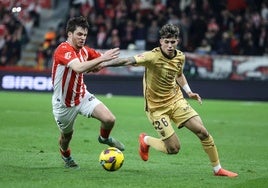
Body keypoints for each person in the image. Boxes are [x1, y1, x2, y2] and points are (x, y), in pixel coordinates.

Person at [97, 23, 238, 177]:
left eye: (173, 42)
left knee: (202, 132)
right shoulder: (152, 56)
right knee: (174, 149)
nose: (170, 45)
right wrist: (102, 63)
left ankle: (217, 169)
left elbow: (179, 75)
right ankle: (146, 140)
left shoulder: (180, 56)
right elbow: (127, 61)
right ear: (161, 41)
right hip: (156, 108)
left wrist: (189, 92)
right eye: (167, 42)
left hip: (176, 100)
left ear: (177, 41)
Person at [51, 16, 125, 169]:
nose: (83, 38)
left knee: (109, 119)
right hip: (64, 104)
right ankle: (66, 155)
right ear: (69, 34)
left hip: (82, 96)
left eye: (85, 35)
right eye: (79, 34)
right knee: (66, 137)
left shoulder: (84, 51)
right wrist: (101, 59)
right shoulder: (63, 49)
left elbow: (105, 62)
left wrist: (136, 60)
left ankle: (104, 138)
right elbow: (78, 67)